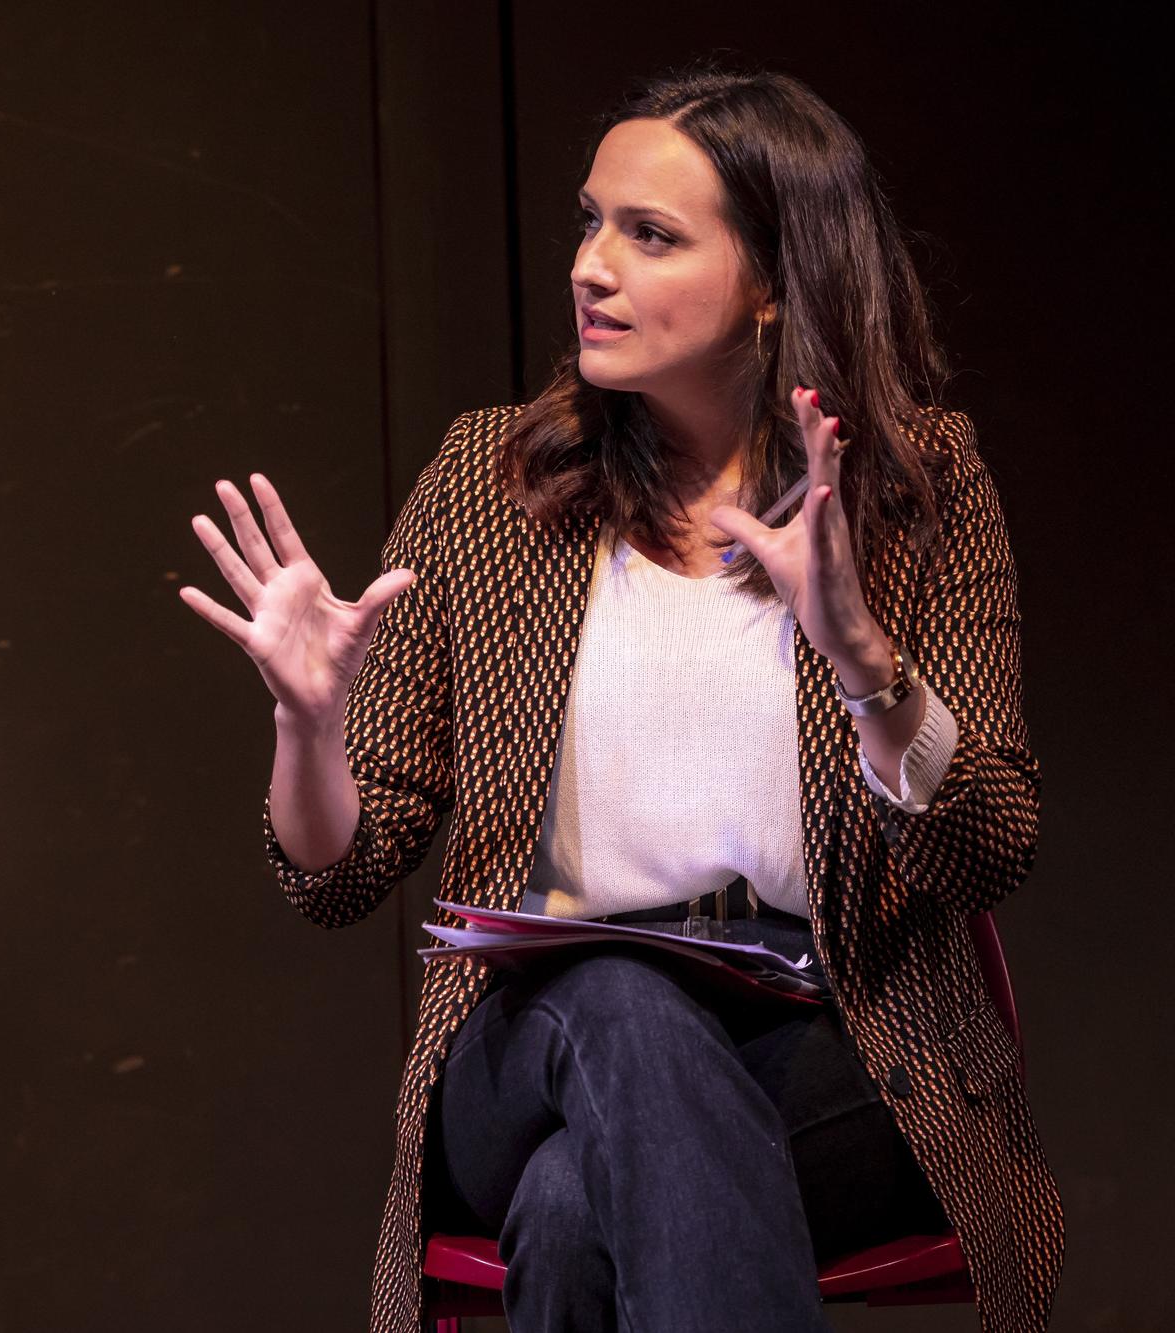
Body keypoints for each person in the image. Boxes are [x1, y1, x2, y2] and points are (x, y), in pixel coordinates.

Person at [181, 67, 1060, 1332]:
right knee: (617, 1000)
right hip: (527, 1040)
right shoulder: (490, 484)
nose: (592, 265)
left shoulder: (918, 490)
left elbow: (985, 849)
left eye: (648, 236)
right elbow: (334, 872)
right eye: (591, 222)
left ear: (772, 280)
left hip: (836, 1042)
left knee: (566, 1211)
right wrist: (306, 727)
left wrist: (862, 655)